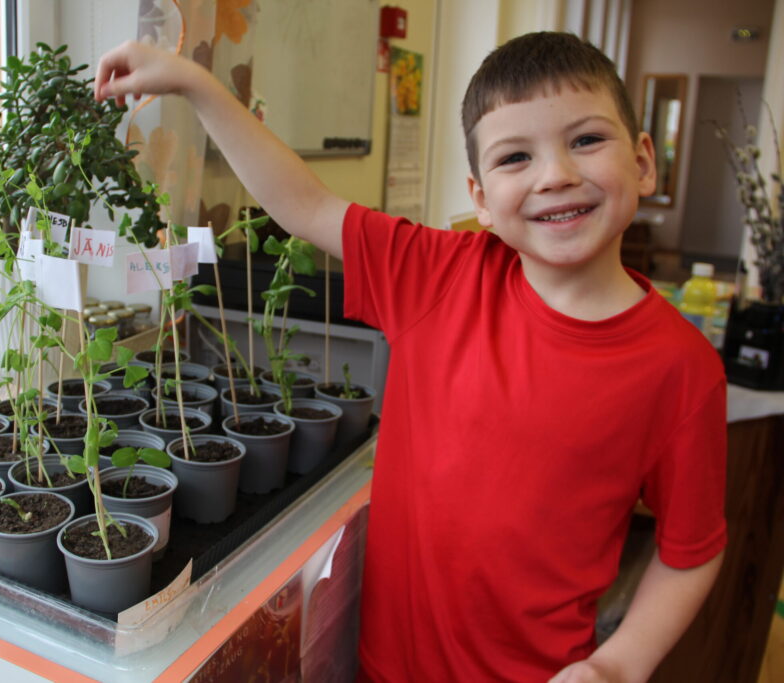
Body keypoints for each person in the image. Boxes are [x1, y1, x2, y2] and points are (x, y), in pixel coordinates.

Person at [93, 31, 726, 682]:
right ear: (480, 198)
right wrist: (195, 83)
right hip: (386, 667)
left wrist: (619, 664)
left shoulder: (681, 368)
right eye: (516, 157)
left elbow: (692, 549)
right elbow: (305, 203)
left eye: (586, 140)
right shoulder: (440, 274)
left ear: (644, 160)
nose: (556, 174)